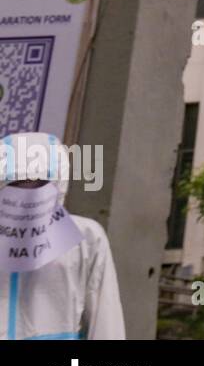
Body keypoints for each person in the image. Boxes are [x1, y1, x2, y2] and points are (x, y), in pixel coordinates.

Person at [0, 132, 124, 340]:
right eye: (17, 183)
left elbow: (105, 320)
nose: (28, 193)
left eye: (39, 183)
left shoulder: (85, 237)